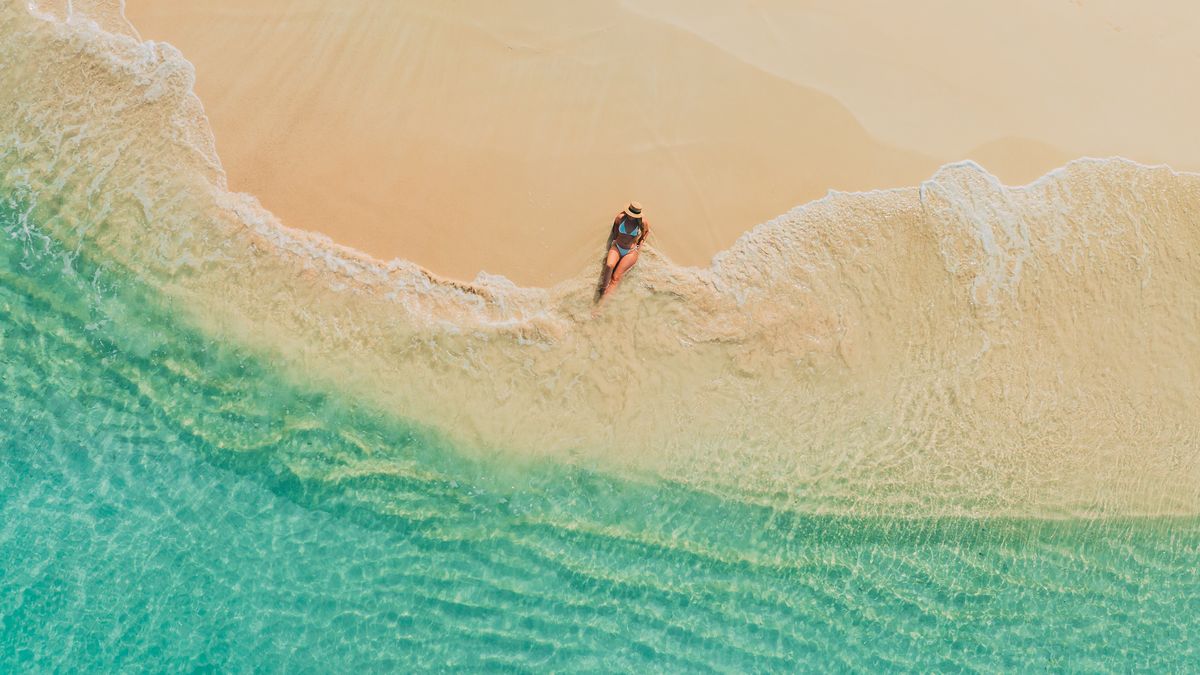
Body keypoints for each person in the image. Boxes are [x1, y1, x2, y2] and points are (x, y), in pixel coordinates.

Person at [600, 201, 649, 299]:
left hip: (630, 252)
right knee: (609, 266)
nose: (631, 217)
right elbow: (615, 230)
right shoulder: (620, 217)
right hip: (617, 247)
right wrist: (613, 242)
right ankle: (602, 291)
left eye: (634, 215)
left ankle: (601, 306)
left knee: (615, 278)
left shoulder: (642, 222)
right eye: (630, 214)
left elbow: (646, 233)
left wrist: (640, 246)